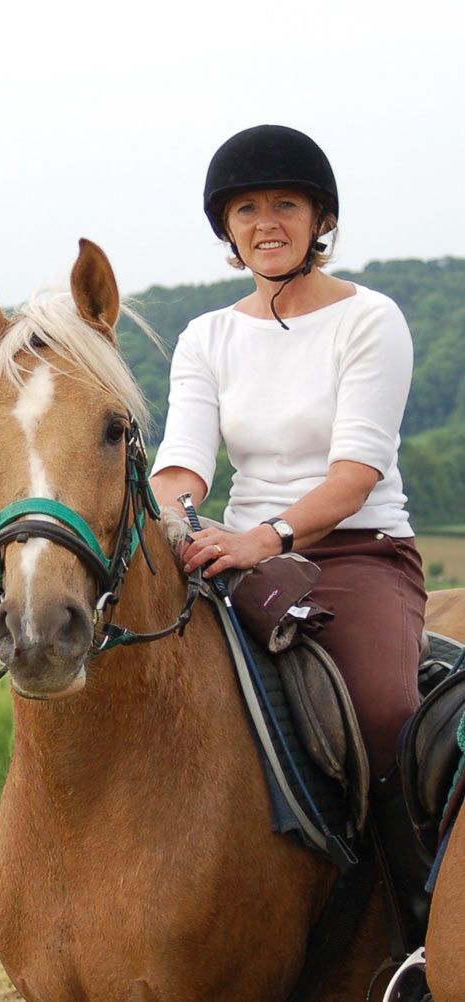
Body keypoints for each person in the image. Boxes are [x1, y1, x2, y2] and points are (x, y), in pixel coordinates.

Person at [149, 125, 428, 971]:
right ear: (226, 229)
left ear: (319, 219)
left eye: (283, 205)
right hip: (238, 555)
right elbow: (181, 463)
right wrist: (181, 522)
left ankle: (416, 927)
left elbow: (354, 473)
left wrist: (261, 536)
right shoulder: (206, 336)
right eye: (245, 210)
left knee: (382, 714)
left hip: (356, 552)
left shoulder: (368, 319)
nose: (264, 223)